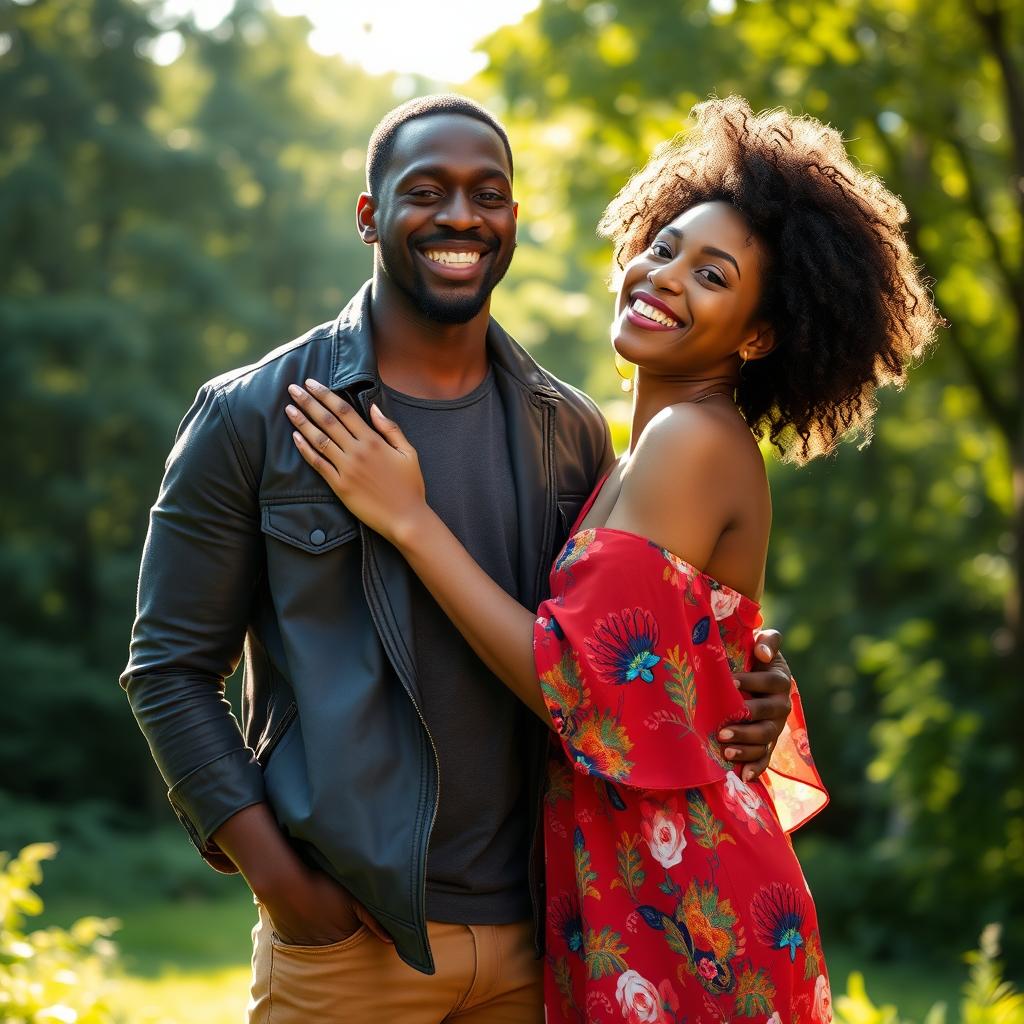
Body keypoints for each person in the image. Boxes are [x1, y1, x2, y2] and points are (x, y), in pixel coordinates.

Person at [121, 94, 796, 1024]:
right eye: (425, 190)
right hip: (351, 944)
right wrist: (289, 892)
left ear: (513, 220)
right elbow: (168, 672)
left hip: (548, 938)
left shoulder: (571, 434)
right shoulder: (255, 417)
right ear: (368, 214)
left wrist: (753, 684)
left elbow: (612, 656)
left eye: (489, 193)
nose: (459, 216)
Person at [286, 96, 941, 1020]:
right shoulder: (634, 448)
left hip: (688, 907)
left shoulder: (691, 441)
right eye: (664, 246)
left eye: (712, 275)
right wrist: (759, 682)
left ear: (757, 335)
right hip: (640, 892)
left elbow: (575, 684)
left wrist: (409, 519)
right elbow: (698, 660)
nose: (665, 276)